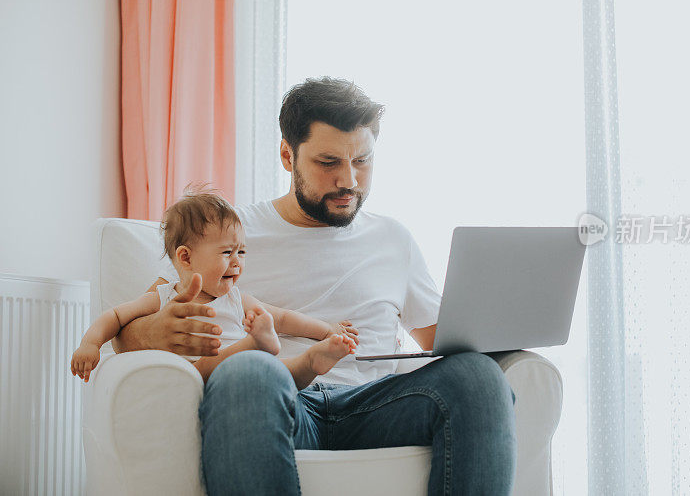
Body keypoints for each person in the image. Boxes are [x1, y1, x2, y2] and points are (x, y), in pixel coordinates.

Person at [112, 77, 517, 495]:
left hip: (375, 405)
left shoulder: (394, 238)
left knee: (479, 378)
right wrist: (149, 332)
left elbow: (445, 339)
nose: (349, 181)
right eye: (328, 163)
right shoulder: (227, 234)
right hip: (279, 398)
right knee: (248, 370)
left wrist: (509, 325)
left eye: (362, 161)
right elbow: (136, 321)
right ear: (288, 156)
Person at [72, 189, 359, 385]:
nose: (237, 263)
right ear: (186, 257)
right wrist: (90, 343)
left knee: (280, 370)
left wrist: (326, 330)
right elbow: (115, 316)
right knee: (200, 369)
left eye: (241, 252)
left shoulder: (236, 299)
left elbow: (283, 318)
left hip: (249, 372)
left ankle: (310, 361)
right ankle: (259, 346)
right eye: (226, 253)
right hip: (204, 376)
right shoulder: (165, 297)